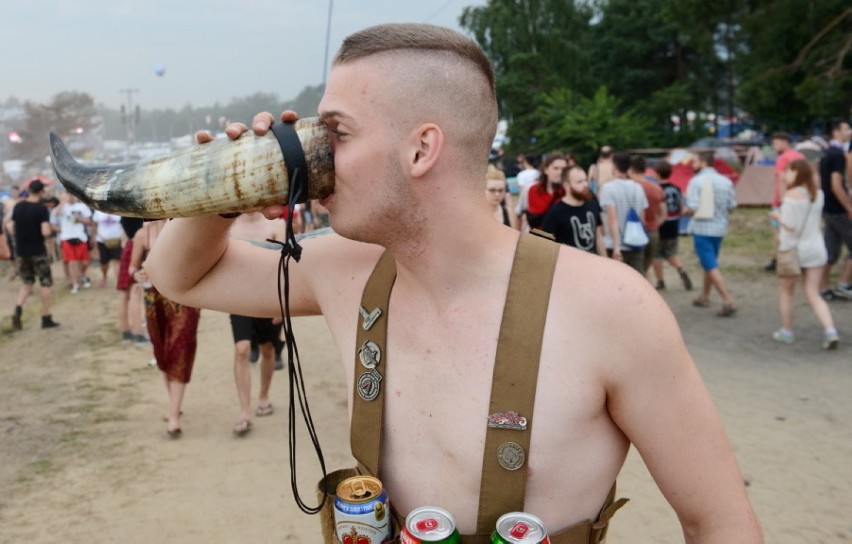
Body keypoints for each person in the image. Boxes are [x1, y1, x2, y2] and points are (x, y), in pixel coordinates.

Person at [144, 23, 761, 541]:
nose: (313, 159)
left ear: (422, 149)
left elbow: (720, 523)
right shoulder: (344, 271)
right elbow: (177, 277)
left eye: (336, 133)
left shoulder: (610, 307)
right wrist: (226, 185)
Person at [131, 219, 201, 437]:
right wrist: (137, 274)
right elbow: (132, 267)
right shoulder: (142, 236)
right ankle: (174, 405)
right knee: (162, 352)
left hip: (183, 299)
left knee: (180, 349)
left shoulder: (183, 229)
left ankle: (173, 417)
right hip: (154, 301)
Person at [768, 160, 839, 349]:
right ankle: (830, 330)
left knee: (786, 292)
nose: (785, 176)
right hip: (815, 249)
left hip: (792, 250)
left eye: (788, 172)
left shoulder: (791, 196)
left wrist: (777, 217)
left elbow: (790, 227)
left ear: (796, 172)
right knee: (813, 293)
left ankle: (787, 331)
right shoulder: (819, 195)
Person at [227, 212, 285, 436]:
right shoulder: (229, 227)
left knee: (268, 348)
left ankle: (264, 397)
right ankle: (244, 412)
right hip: (239, 297)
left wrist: (282, 305)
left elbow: (286, 266)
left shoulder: (278, 225)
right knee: (242, 350)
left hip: (269, 298)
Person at [685, 151, 738, 317]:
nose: (693, 165)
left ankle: (728, 301)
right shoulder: (726, 181)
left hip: (702, 228)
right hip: (720, 228)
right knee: (710, 263)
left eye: (695, 162)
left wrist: (684, 211)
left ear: (703, 163)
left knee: (710, 265)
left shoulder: (696, 181)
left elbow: (692, 207)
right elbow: (731, 206)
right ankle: (704, 296)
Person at [8, 180, 59, 330]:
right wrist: (51, 231)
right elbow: (45, 232)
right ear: (41, 192)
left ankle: (18, 308)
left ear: (29, 190)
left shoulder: (18, 206)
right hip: (38, 251)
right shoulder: (41, 209)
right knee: (45, 283)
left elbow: (11, 227)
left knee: (26, 282)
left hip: (21, 251)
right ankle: (46, 317)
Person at [818, 119, 852, 301]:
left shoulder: (827, 152)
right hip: (838, 209)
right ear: (836, 131)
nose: (850, 131)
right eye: (847, 128)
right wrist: (849, 207)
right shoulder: (837, 155)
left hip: (828, 208)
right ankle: (843, 284)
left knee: (831, 251)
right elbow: (836, 185)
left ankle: (821, 288)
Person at [599, 152, 648, 272]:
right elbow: (642, 217)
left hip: (615, 244)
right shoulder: (638, 187)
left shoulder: (608, 188)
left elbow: (612, 218)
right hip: (636, 243)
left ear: (614, 166)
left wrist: (616, 246)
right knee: (637, 281)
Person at [541, 165, 605, 256]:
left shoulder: (593, 205)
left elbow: (599, 237)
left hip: (593, 265)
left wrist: (605, 261)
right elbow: (545, 246)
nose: (585, 185)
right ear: (566, 185)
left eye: (585, 180)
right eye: (579, 182)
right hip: (569, 267)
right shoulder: (555, 213)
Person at [765, 132, 805, 272]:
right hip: (800, 199)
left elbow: (781, 180)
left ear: (784, 142)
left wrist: (782, 201)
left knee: (779, 232)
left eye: (775, 143)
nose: (773, 146)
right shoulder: (800, 156)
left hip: (782, 201)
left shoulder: (783, 158)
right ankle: (799, 259)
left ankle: (779, 260)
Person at [651, 161, 692, 291]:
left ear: (657, 174)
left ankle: (660, 281)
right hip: (674, 224)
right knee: (671, 252)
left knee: (656, 255)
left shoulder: (656, 189)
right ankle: (681, 268)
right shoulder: (677, 188)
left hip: (660, 224)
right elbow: (681, 208)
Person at [628, 155, 666, 279]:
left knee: (635, 272)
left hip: (633, 234)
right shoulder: (656, 188)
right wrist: (655, 224)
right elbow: (664, 214)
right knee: (644, 269)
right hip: (652, 232)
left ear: (631, 169)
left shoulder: (629, 187)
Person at [116, 216, 148, 345]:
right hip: (137, 246)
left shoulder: (124, 211)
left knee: (125, 294)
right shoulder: (137, 211)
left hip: (129, 246)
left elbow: (123, 233)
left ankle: (126, 332)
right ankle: (138, 332)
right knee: (135, 291)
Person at [518, 152, 568, 231]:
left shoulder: (569, 192)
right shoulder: (531, 190)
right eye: (556, 168)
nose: (560, 172)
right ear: (546, 170)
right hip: (538, 239)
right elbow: (518, 213)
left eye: (564, 169)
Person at [57, 194, 93, 293]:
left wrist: (79, 219)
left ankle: (82, 275)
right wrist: (62, 203)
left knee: (85, 262)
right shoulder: (63, 207)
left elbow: (90, 221)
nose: (70, 197)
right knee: (71, 262)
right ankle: (75, 284)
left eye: (72, 195)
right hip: (66, 237)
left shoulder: (82, 206)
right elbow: (56, 214)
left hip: (81, 237)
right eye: (68, 195)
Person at [91, 211, 124, 288]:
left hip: (117, 240)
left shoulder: (119, 209)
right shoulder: (98, 210)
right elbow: (94, 224)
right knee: (104, 263)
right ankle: (104, 276)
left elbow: (124, 224)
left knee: (117, 261)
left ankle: (118, 281)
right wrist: (93, 237)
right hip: (102, 240)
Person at [485, 164, 518, 229]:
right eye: (492, 190)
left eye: (501, 190)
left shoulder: (509, 212)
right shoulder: (474, 214)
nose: (497, 194)